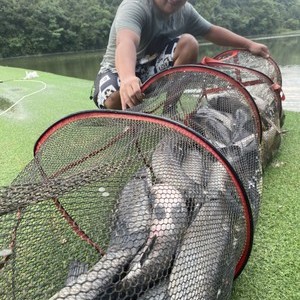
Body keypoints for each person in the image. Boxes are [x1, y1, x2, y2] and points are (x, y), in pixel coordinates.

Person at [93, 0, 270, 110]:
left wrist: (250, 44)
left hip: (152, 68)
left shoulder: (185, 11)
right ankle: (131, 107)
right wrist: (128, 78)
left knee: (189, 43)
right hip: (118, 70)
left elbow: (211, 31)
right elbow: (126, 42)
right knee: (112, 100)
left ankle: (170, 108)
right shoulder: (135, 6)